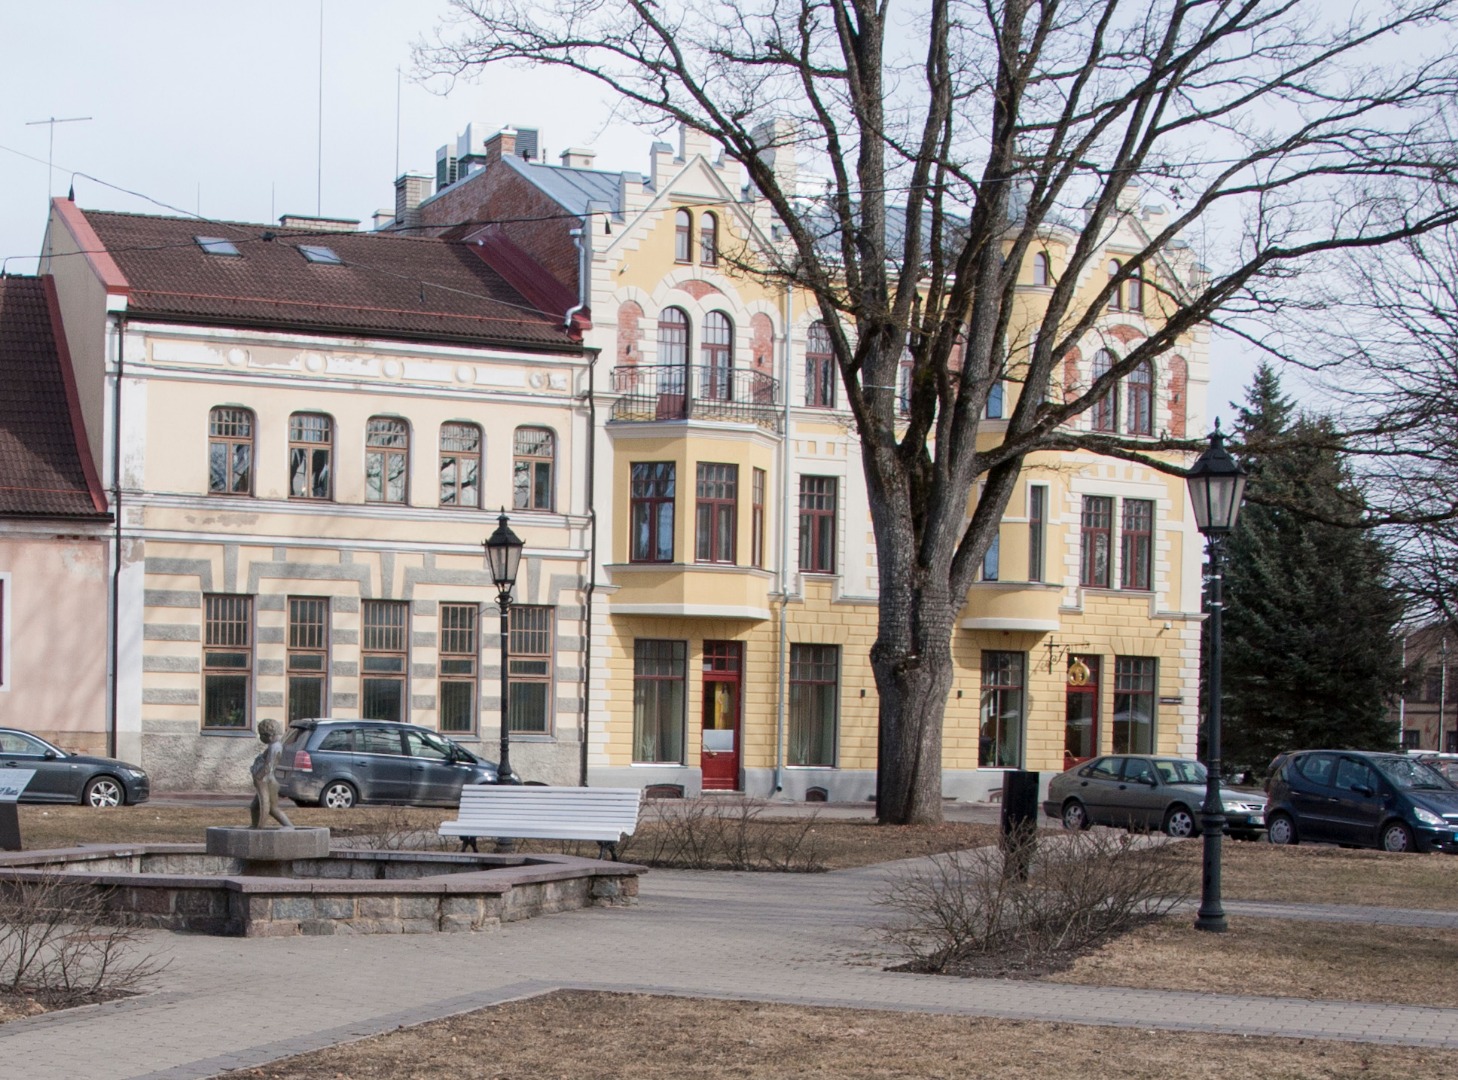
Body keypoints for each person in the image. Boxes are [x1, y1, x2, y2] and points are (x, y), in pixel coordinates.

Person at [250, 718, 294, 829]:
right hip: (267, 780)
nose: (260, 738)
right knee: (255, 807)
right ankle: (255, 827)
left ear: (268, 735)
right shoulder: (274, 746)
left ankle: (289, 826)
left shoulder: (275, 747)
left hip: (268, 781)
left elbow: (268, 766)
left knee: (272, 808)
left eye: (261, 736)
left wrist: (258, 777)